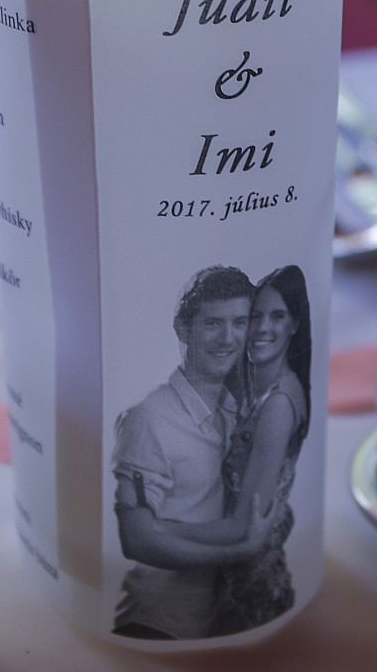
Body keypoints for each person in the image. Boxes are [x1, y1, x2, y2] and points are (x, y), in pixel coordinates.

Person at [111, 265, 281, 640]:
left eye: (239, 323)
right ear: (183, 329)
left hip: (217, 624)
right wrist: (237, 550)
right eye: (213, 323)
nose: (228, 338)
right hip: (159, 626)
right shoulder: (150, 419)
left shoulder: (236, 411)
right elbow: (135, 539)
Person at [212, 265, 311, 635]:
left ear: (295, 324)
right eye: (255, 316)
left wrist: (158, 531)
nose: (262, 328)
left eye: (277, 316)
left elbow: (244, 526)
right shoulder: (254, 391)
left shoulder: (278, 405)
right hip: (235, 575)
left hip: (250, 591)